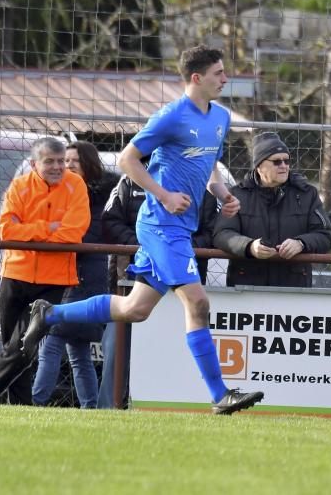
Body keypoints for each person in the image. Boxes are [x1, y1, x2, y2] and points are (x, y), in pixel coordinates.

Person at [20, 44, 263, 414]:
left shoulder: (219, 117)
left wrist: (222, 194)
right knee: (198, 302)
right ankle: (220, 396)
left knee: (135, 308)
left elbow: (210, 165)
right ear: (196, 78)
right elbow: (127, 160)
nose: (225, 79)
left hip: (179, 227)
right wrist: (164, 195)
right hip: (161, 225)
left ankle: (49, 314)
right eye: (219, 73)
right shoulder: (171, 116)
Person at [97, 170, 219, 409]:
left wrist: (177, 251)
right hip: (132, 279)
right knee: (117, 350)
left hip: (183, 284)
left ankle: (182, 406)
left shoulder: (198, 183)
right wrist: (149, 246)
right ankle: (108, 408)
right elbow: (109, 222)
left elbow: (212, 231)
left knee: (173, 352)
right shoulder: (130, 181)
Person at [0, 137, 89, 404]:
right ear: (33, 164)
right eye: (49, 161)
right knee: (14, 347)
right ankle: (20, 404)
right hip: (15, 276)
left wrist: (28, 232)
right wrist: (47, 229)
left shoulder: (76, 185)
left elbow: (73, 232)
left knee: (23, 343)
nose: (58, 167)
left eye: (61, 161)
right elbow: (7, 230)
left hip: (53, 281)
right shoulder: (19, 186)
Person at [31, 141, 119, 408]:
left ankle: (36, 401)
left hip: (84, 276)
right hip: (68, 274)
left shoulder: (97, 199)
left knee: (53, 339)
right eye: (63, 160)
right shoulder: (65, 193)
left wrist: (51, 234)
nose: (66, 166)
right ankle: (90, 406)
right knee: (78, 350)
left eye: (72, 161)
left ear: (88, 164)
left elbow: (84, 237)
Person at [213, 131, 331, 287]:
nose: (283, 166)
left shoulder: (307, 194)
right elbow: (222, 234)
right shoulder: (238, 195)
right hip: (247, 284)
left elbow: (325, 236)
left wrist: (301, 243)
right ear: (259, 166)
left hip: (294, 284)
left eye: (286, 161)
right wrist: (249, 247)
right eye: (276, 162)